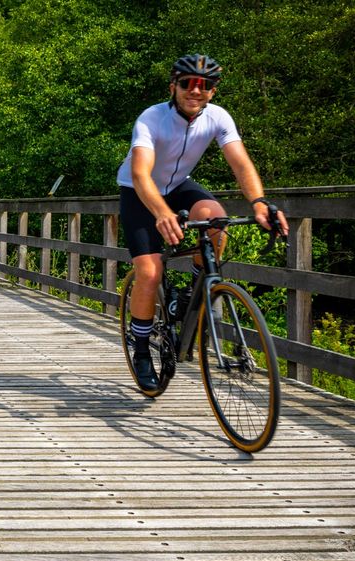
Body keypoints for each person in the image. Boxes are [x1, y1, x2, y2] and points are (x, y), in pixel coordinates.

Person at [117, 53, 289, 391]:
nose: (195, 90)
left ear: (212, 91)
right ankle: (140, 348)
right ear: (174, 86)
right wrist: (162, 213)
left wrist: (259, 203)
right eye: (187, 84)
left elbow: (240, 163)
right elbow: (140, 173)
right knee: (150, 272)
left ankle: (196, 289)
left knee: (215, 218)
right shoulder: (151, 118)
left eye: (204, 85)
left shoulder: (218, 117)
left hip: (179, 184)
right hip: (139, 191)